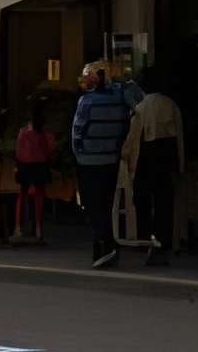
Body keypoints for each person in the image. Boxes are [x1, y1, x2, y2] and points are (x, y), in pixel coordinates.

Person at [66, 64, 135, 267]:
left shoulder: (86, 101)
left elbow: (77, 132)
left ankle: (105, 243)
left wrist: (78, 153)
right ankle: (104, 245)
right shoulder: (118, 99)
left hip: (88, 161)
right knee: (106, 203)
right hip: (111, 159)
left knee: (92, 204)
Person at [123, 76, 184, 264]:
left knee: (141, 200)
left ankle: (145, 238)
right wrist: (180, 164)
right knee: (164, 202)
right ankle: (163, 241)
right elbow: (180, 137)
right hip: (167, 155)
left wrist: (126, 160)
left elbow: (133, 140)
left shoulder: (141, 107)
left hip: (146, 157)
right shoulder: (171, 105)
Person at [9, 107, 52, 244]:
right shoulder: (43, 134)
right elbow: (46, 151)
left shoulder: (23, 133)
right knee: (39, 197)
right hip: (39, 166)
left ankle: (18, 228)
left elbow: (18, 152)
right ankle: (38, 228)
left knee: (21, 196)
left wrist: (17, 166)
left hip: (24, 166)